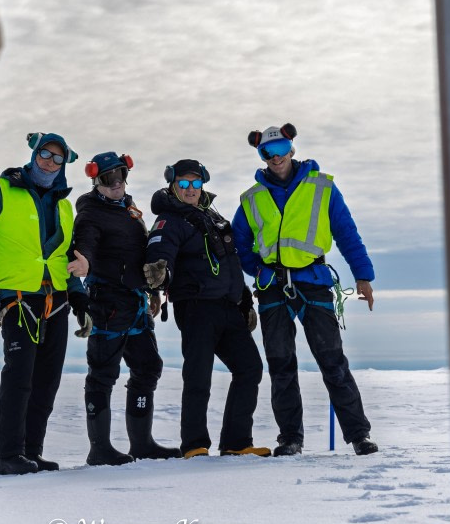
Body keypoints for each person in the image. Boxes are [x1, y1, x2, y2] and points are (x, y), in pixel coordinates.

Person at [232, 123, 379, 457]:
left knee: (333, 362)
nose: (276, 157)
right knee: (281, 365)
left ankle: (359, 435)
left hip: (313, 282)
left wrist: (363, 276)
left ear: (292, 148)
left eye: (281, 148)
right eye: (268, 152)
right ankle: (290, 438)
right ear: (261, 154)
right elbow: (240, 244)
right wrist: (258, 269)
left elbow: (347, 233)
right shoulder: (252, 199)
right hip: (272, 288)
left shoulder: (322, 186)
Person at [0, 132, 89, 475]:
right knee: (20, 377)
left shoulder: (63, 204)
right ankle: (10, 455)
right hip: (18, 299)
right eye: (45, 153)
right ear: (34, 153)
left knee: (47, 381)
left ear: (64, 165)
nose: (49, 161)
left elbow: (65, 258)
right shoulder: (0, 190)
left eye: (58, 158)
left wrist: (80, 298)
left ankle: (32, 451)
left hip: (56, 299)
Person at [143, 159, 269, 459]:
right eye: (184, 183)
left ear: (203, 185)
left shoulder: (212, 217)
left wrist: (245, 301)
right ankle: (195, 445)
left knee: (250, 368)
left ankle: (237, 443)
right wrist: (160, 272)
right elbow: (161, 251)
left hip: (227, 307)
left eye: (195, 183)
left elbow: (231, 262)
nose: (190, 189)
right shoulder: (170, 219)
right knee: (199, 375)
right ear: (173, 185)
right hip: (196, 307)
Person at [66, 152, 181, 465]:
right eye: (108, 178)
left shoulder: (129, 209)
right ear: (96, 180)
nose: (116, 183)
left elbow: (138, 253)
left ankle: (142, 443)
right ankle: (99, 448)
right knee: (102, 376)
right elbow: (85, 242)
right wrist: (84, 261)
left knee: (148, 367)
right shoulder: (91, 214)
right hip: (107, 305)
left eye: (120, 175)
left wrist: (152, 291)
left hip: (135, 302)